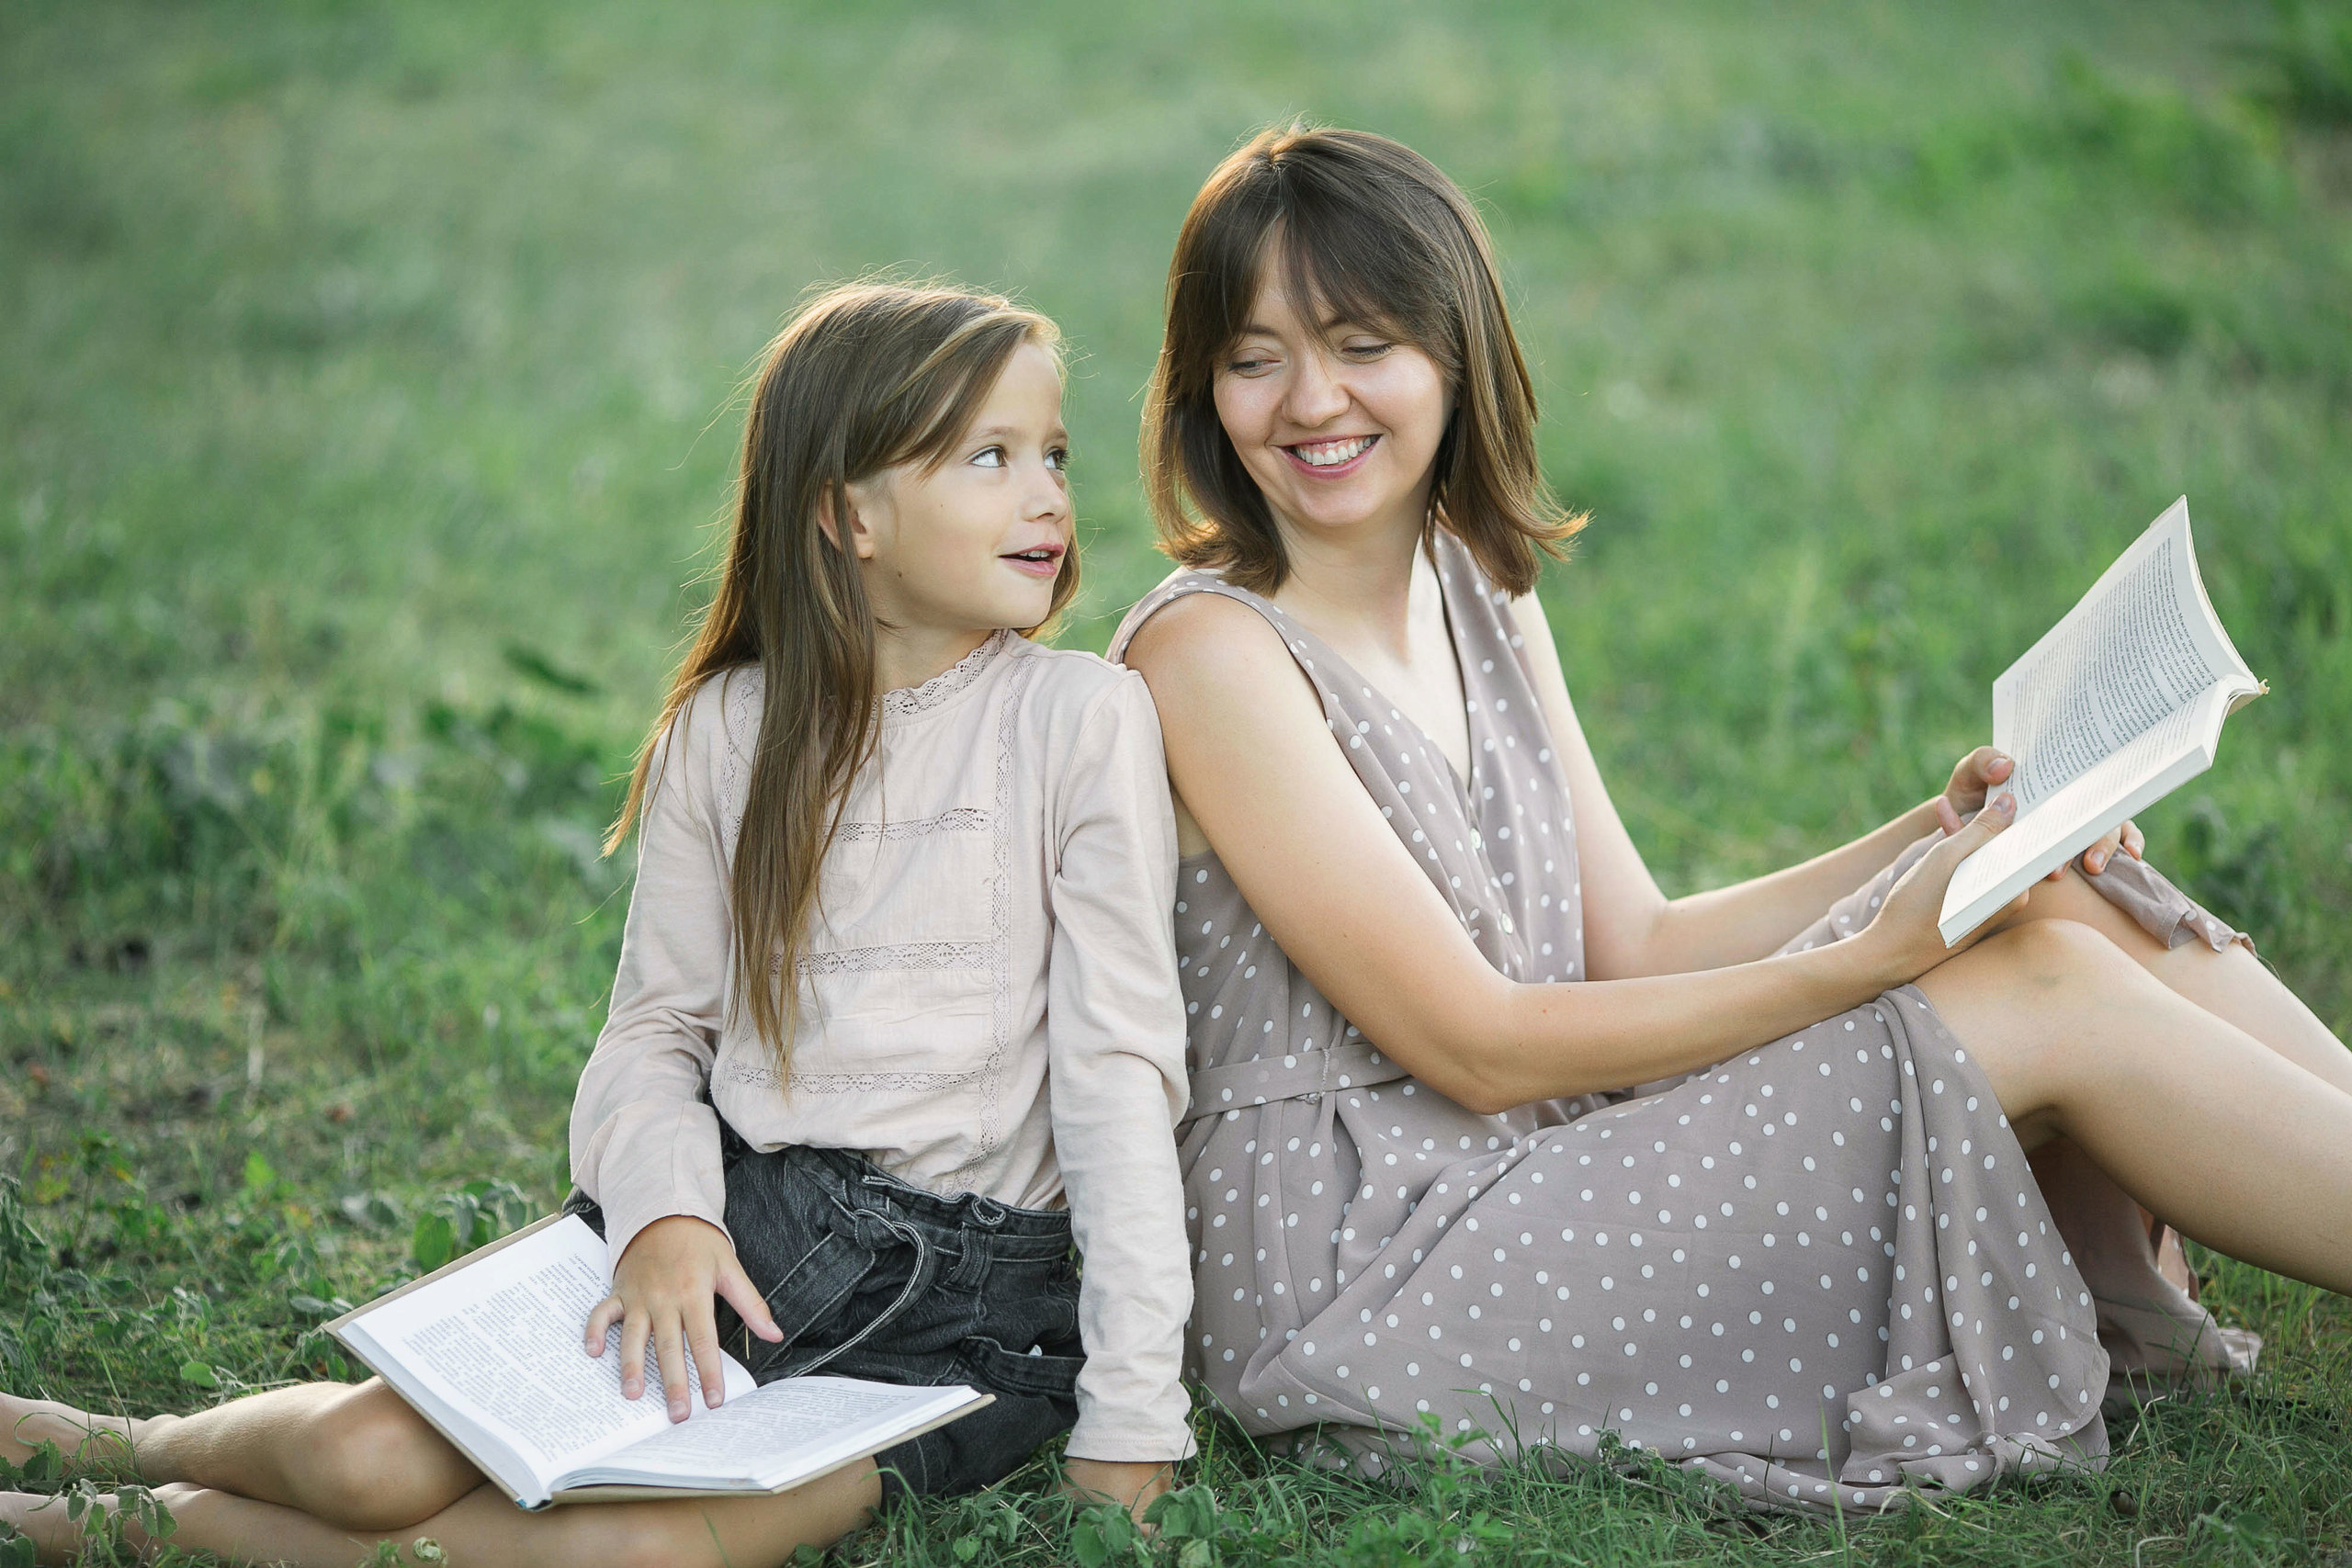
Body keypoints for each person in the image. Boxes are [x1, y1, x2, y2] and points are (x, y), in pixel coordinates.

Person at [1113, 125, 2352, 1513]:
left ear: (1456, 356)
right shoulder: (1212, 654)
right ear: (1202, 388)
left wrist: (1943, 836)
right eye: (1255, 358)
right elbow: (1475, 1044)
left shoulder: (1475, 581)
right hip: (1370, 1278)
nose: (1311, 400)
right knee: (2043, 989)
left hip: (1535, 1170)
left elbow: (1636, 943)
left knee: (2058, 892)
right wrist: (1870, 959)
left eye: (1361, 345)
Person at [2, 281, 1195, 1564]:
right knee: (362, 1462)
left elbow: (1118, 1075)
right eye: (990, 458)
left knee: (631, 1556)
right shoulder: (728, 732)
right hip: (740, 1237)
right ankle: (130, 1448)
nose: (1047, 497)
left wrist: (1132, 1416)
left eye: (1054, 455)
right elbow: (656, 1033)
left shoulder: (1080, 719)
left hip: (964, 1325)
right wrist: (667, 1217)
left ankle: (121, 1536)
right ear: (848, 513)